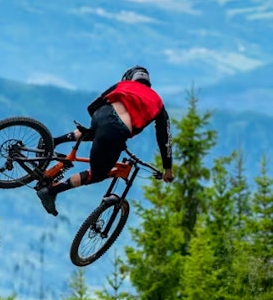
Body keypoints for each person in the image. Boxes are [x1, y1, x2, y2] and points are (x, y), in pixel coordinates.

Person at [34, 66, 174, 216]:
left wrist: (98, 125)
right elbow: (164, 137)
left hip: (101, 114)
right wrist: (168, 169)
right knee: (97, 174)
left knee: (94, 131)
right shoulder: (158, 102)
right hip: (117, 130)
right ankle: (51, 191)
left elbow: (93, 105)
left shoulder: (123, 86)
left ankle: (53, 142)